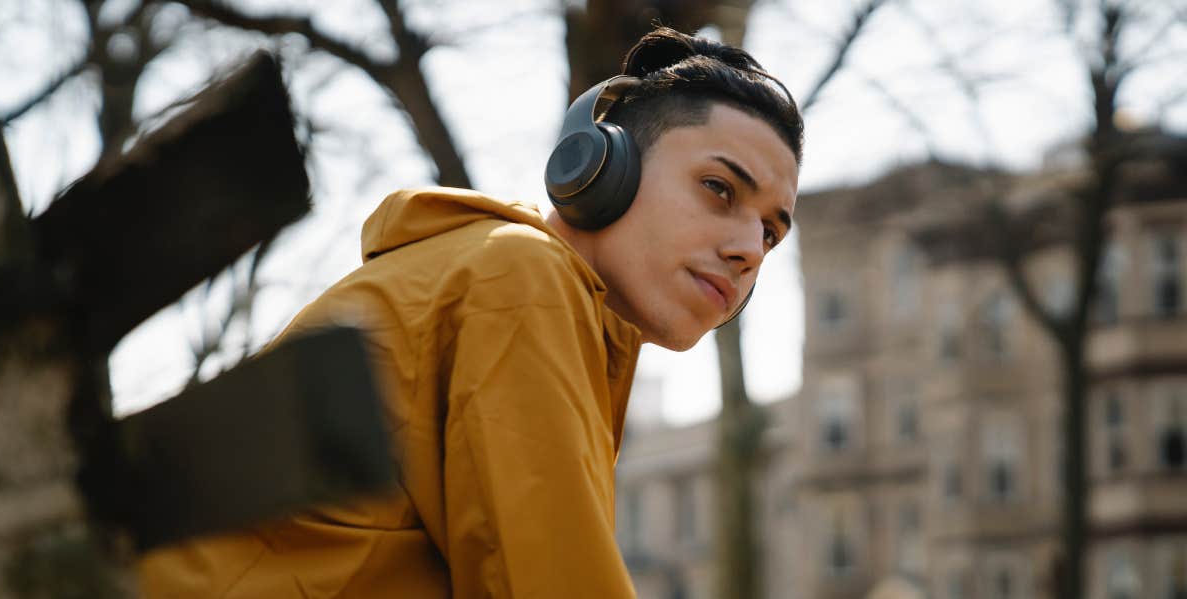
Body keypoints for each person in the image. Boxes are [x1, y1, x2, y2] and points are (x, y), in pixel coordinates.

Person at [139, 26, 802, 598]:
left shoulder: (500, 280)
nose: (748, 248)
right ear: (599, 167)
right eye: (719, 189)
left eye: (771, 233)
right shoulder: (519, 279)